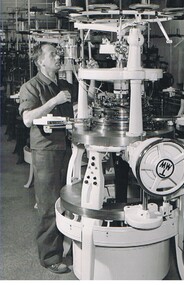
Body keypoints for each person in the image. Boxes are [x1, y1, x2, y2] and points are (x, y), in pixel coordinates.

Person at [18, 43, 74, 274]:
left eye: (59, 53)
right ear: (40, 61)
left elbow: (88, 97)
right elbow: (28, 119)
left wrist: (92, 75)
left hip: (68, 149)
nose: (58, 56)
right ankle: (50, 257)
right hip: (47, 151)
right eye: (53, 54)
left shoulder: (63, 85)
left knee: (69, 201)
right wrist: (54, 101)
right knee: (49, 204)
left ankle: (67, 244)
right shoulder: (30, 87)